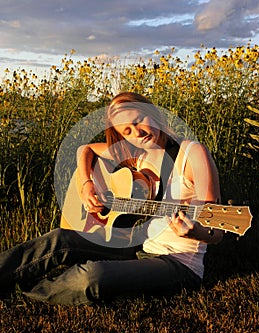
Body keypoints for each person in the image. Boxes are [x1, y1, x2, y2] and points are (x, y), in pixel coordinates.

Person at [0, 92, 223, 305]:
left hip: (177, 262)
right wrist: (86, 185)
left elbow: (217, 231)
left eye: (139, 120)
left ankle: (29, 293)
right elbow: (84, 150)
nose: (137, 133)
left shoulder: (192, 153)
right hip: (134, 243)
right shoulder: (136, 153)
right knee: (59, 239)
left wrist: (195, 232)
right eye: (126, 131)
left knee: (92, 276)